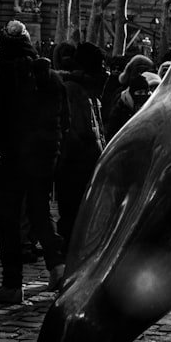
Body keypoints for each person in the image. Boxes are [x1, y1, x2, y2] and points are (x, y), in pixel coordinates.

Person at [0, 21, 67, 303]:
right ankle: (58, 267)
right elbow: (64, 120)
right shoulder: (52, 77)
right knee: (40, 212)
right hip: (44, 157)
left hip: (15, 158)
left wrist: (4, 147)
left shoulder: (3, 78)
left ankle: (12, 284)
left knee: (7, 218)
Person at [54, 41, 108, 247]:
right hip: (76, 167)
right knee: (72, 216)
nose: (104, 69)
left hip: (86, 164)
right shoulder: (74, 89)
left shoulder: (87, 89)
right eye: (100, 64)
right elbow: (74, 132)